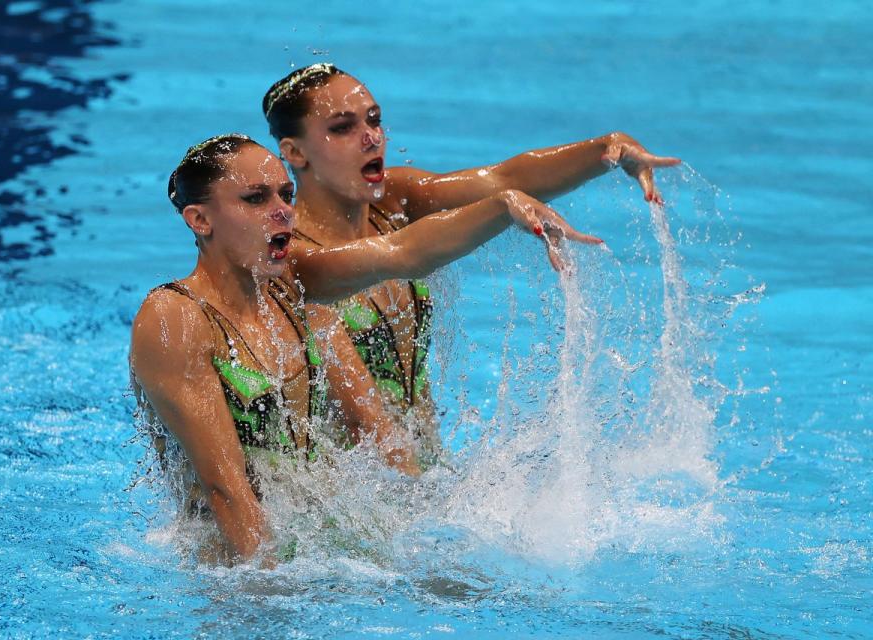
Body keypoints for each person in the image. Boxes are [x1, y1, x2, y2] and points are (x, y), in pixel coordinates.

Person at [130, 133, 599, 562]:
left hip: (315, 540)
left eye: (285, 195)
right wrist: (269, 593)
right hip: (233, 570)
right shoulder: (175, 318)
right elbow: (225, 489)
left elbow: (401, 252)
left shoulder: (289, 285)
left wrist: (501, 208)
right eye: (255, 198)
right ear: (200, 219)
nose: (282, 210)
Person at [261, 63, 681, 461]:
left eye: (374, 119)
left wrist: (608, 150)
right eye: (342, 128)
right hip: (350, 498)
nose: (371, 137)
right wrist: (500, 209)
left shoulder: (395, 200)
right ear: (294, 153)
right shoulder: (288, 256)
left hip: (420, 469)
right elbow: (405, 253)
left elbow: (504, 178)